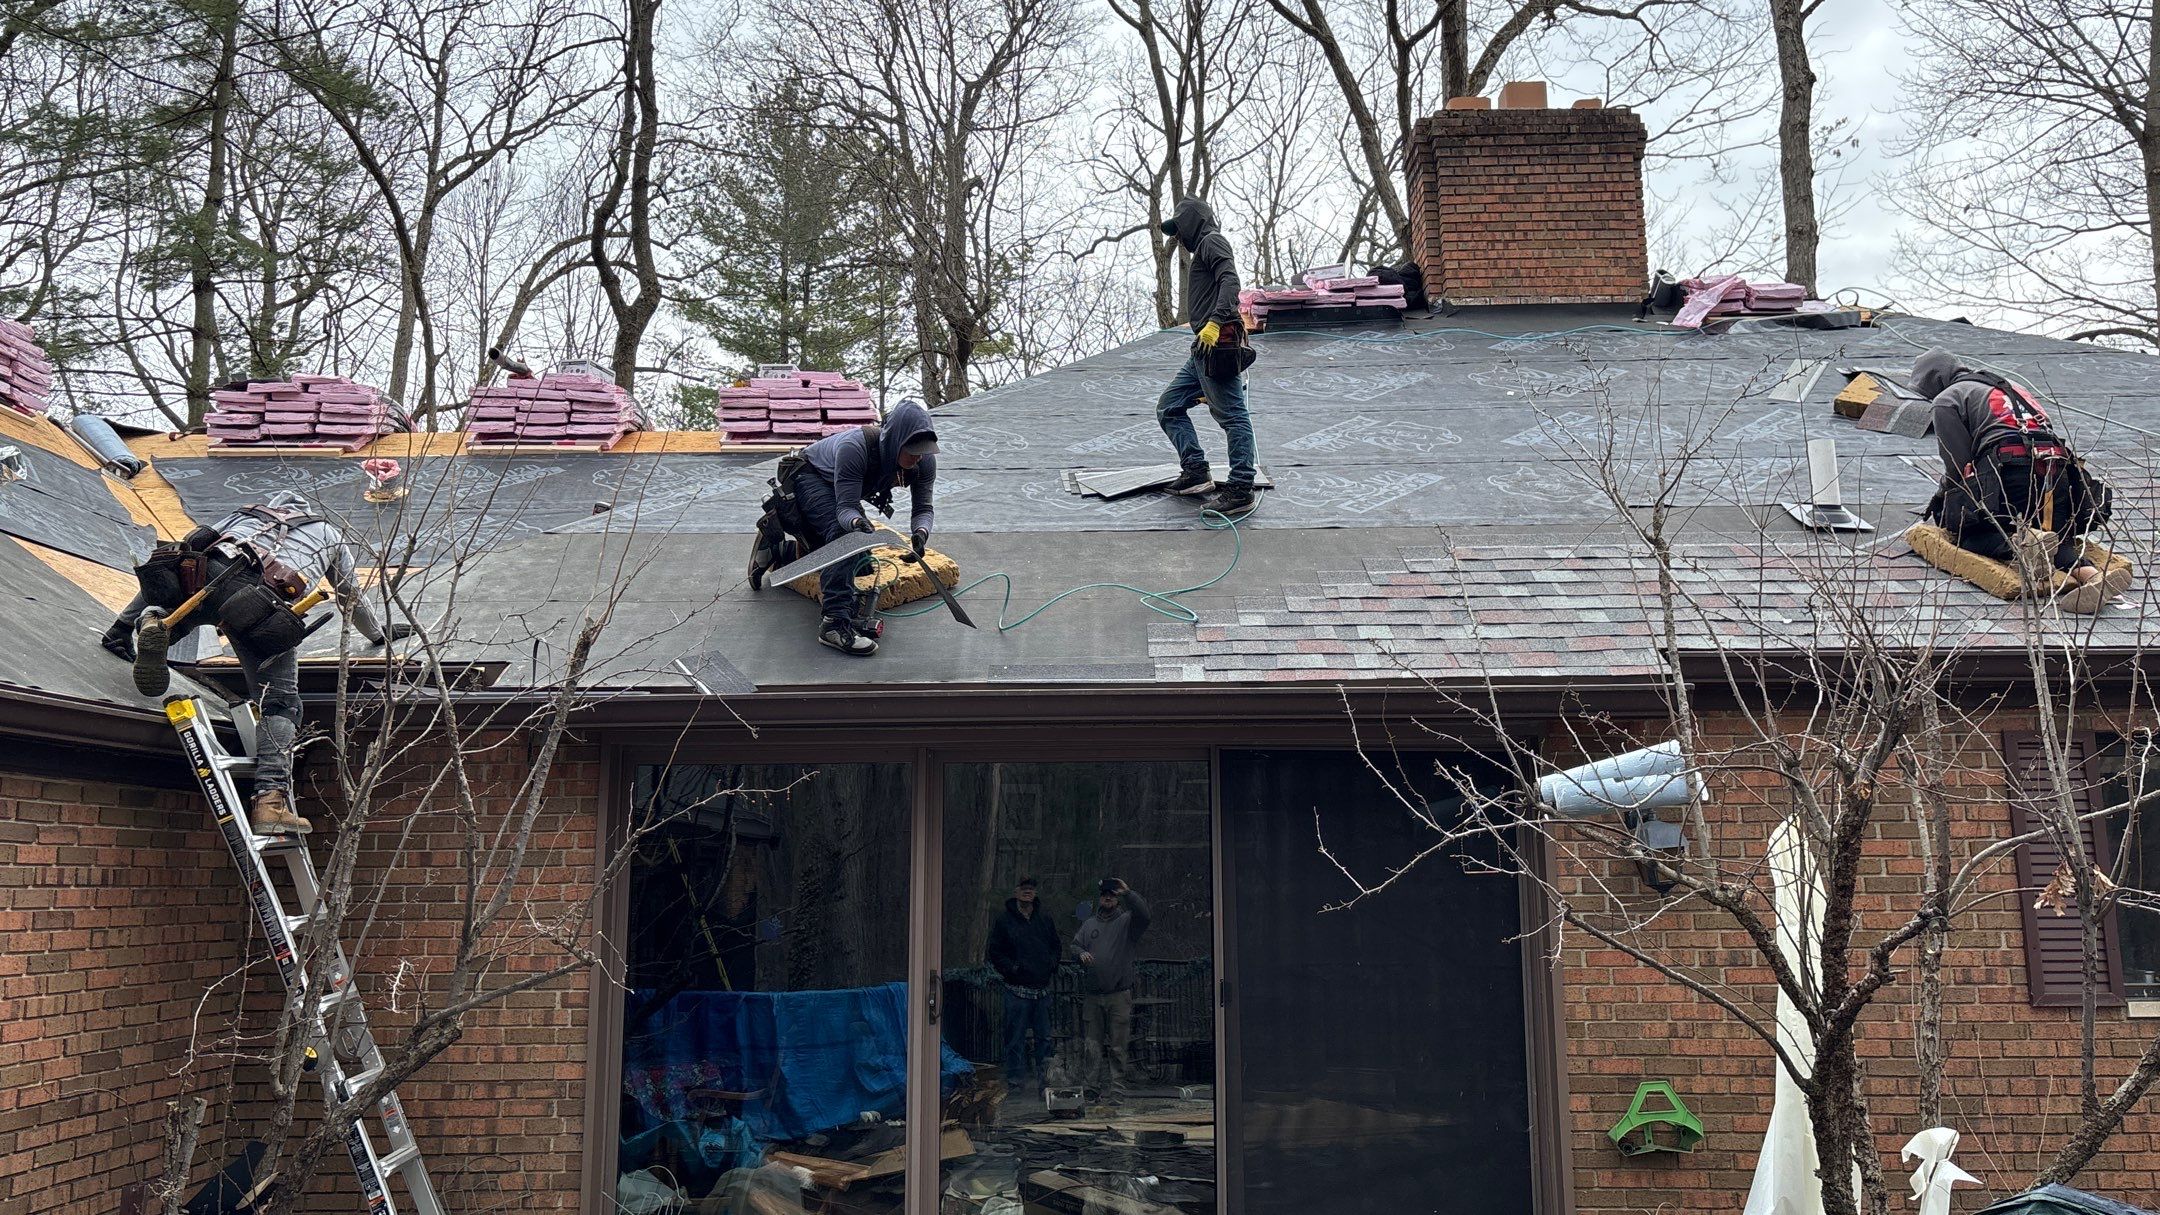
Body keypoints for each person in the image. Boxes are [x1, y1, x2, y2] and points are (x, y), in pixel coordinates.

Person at [101, 492, 408, 835]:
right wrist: (379, 634)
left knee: (177, 585)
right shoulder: (328, 534)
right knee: (280, 703)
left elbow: (186, 553)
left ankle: (151, 624)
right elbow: (350, 595)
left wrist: (120, 627)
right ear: (307, 512)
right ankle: (269, 802)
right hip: (261, 604)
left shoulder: (243, 515)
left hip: (212, 570)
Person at [1914, 349, 2124, 612]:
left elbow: (1959, 466)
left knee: (1971, 534)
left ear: (1934, 381)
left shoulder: (1947, 399)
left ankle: (2021, 543)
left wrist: (1942, 501)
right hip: (2057, 469)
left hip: (2011, 469)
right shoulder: (2011, 387)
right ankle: (2093, 577)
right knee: (2053, 536)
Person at [746, 399, 939, 657]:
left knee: (862, 561)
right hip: (809, 476)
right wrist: (857, 524)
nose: (917, 457)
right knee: (846, 537)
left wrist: (920, 534)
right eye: (912, 450)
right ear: (894, 441)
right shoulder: (855, 448)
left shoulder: (923, 461)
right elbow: (845, 509)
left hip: (837, 489)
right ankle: (834, 624)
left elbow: (923, 509)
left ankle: (780, 551)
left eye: (922, 451)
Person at [1155, 197, 1258, 515]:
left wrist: (1214, 323)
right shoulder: (1203, 247)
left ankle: (1241, 488)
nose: (1177, 236)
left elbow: (1231, 281)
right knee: (1169, 407)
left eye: (1179, 228)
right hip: (1201, 349)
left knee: (1233, 417)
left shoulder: (1213, 241)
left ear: (1192, 223)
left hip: (1217, 344)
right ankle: (1196, 472)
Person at [1072, 877, 1150, 1098]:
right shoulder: (1089, 924)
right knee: (1092, 1046)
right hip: (1093, 995)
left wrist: (1128, 892)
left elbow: (1145, 915)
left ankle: (1117, 1088)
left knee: (1118, 1046)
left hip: (1119, 994)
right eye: (1105, 893)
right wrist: (1080, 954)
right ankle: (1091, 1087)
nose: (1108, 896)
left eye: (1112, 894)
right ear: (1100, 897)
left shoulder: (1128, 921)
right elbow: (1075, 945)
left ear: (1117, 898)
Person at [986, 876, 1062, 1094]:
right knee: (1015, 1040)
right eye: (1023, 888)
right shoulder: (1004, 921)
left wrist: (1051, 964)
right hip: (1016, 990)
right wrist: (1012, 969)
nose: (1027, 892)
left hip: (1041, 989)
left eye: (1031, 889)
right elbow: (995, 952)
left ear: (1035, 893)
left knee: (1044, 1040)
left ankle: (1045, 1083)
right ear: (1015, 892)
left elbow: (1056, 946)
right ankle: (1016, 1083)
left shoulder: (1045, 918)